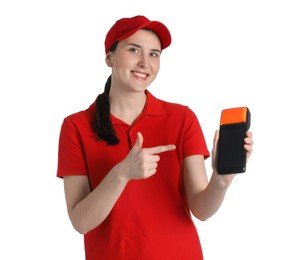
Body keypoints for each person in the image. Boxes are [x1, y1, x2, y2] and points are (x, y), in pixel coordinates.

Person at [57, 15, 254, 260]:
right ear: (109, 57)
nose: (144, 63)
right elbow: (81, 222)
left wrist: (221, 179)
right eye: (133, 50)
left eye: (154, 54)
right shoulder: (76, 126)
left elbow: (201, 210)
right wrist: (121, 174)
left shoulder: (181, 118)